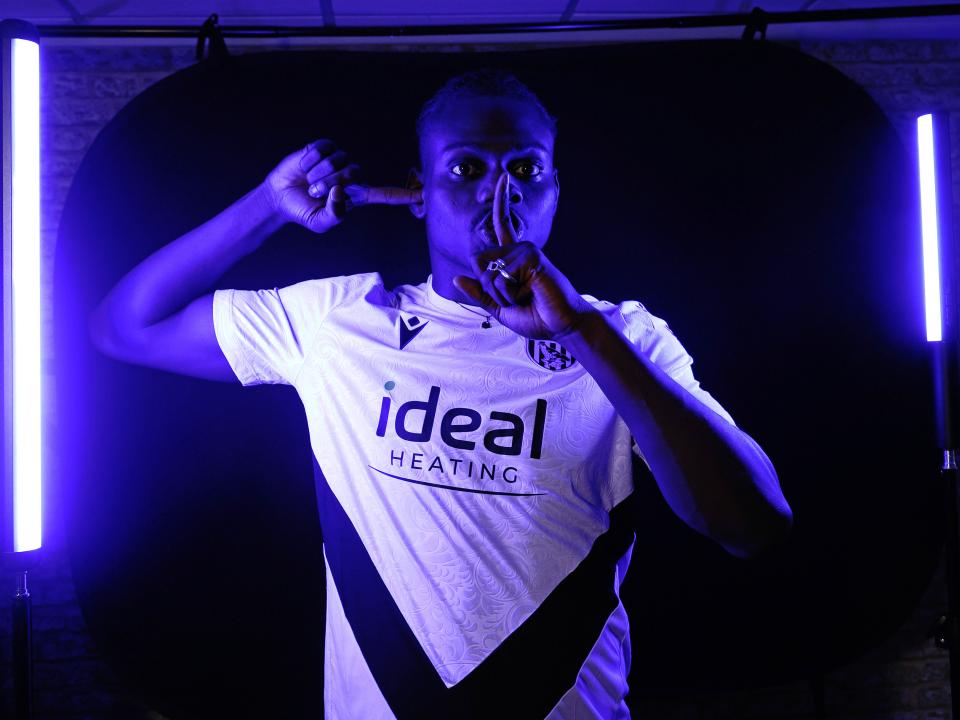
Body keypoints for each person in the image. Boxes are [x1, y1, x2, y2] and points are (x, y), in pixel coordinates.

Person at [89, 69, 792, 719]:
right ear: (418, 192)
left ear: (553, 191)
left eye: (525, 169)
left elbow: (754, 525)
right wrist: (268, 206)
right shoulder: (340, 321)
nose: (499, 193)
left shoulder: (621, 338)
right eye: (466, 169)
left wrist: (580, 329)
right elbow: (124, 326)